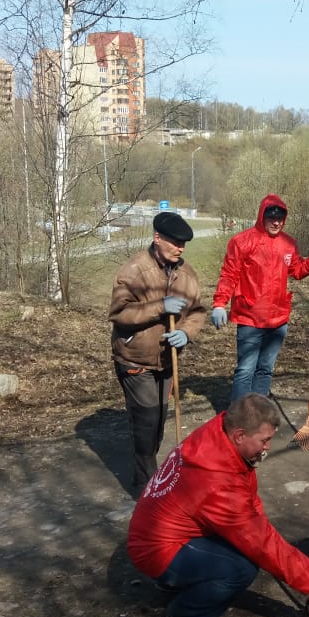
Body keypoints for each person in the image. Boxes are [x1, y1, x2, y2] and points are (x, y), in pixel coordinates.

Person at [127, 393, 309, 617]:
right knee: (241, 568)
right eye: (264, 440)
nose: (268, 447)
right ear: (240, 435)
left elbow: (245, 497)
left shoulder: (218, 432)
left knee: (241, 547)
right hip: (156, 550)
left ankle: (180, 581)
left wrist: (256, 520)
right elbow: (262, 543)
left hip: (162, 530)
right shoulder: (216, 481)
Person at [108, 211, 207, 495]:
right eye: (175, 242)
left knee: (159, 420)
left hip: (167, 360)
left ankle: (152, 474)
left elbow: (198, 311)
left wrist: (186, 332)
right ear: (157, 238)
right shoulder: (135, 271)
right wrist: (160, 307)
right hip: (134, 357)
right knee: (146, 421)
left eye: (183, 243)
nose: (180, 248)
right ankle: (145, 488)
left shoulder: (187, 274)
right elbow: (119, 313)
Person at [211, 194, 309, 401]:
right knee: (246, 370)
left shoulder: (288, 244)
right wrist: (220, 303)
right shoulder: (242, 242)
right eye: (271, 217)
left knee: (265, 369)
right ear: (262, 216)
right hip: (250, 317)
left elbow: (297, 270)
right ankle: (239, 419)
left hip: (278, 318)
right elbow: (229, 274)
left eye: (280, 218)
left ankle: (258, 416)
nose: (276, 222)